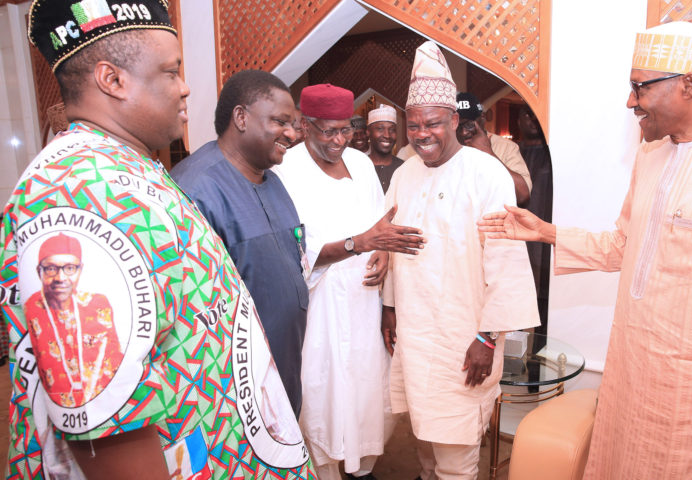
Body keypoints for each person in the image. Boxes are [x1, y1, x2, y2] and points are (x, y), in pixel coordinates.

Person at [1, 2, 314, 478]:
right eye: (171, 71)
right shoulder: (80, 192)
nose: (186, 87)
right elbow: (103, 422)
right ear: (113, 80)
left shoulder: (128, 167)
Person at [478, 22, 692, 479]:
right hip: (635, 385)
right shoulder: (652, 156)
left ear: (689, 83)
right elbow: (625, 246)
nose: (631, 102)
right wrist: (546, 233)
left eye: (640, 87)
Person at [381, 41, 538, 480]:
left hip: (463, 336)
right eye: (413, 125)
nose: (421, 134)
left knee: (457, 455)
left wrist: (488, 338)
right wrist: (390, 308)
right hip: (413, 333)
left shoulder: (486, 173)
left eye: (432, 123)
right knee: (424, 445)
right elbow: (394, 243)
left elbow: (505, 260)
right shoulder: (404, 174)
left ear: (453, 119)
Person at [274, 83, 425, 480]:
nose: (340, 140)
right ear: (305, 126)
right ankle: (324, 469)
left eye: (346, 129)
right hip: (320, 305)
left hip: (363, 300)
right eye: (329, 131)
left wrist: (383, 251)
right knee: (324, 391)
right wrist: (358, 244)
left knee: (366, 389)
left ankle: (361, 468)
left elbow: (381, 222)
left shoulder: (360, 163)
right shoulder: (286, 172)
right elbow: (293, 251)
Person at [170, 69, 308, 418]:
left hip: (282, 371)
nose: (291, 134)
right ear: (241, 117)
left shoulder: (273, 182)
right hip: (232, 391)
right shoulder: (194, 190)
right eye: (280, 121)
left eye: (292, 124)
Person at [25, 233, 122, 408]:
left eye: (70, 268)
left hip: (105, 406)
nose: (61, 278)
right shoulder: (30, 308)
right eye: (51, 269)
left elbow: (115, 360)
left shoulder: (98, 304)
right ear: (39, 271)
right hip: (56, 412)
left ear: (80, 269)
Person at [455, 92, 531, 205]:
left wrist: (488, 152)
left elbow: (523, 196)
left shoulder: (505, 147)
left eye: (469, 125)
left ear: (482, 118)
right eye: (457, 126)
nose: (464, 132)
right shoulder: (448, 148)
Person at [516, 106, 553, 332]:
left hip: (544, 237)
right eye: (526, 114)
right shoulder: (510, 152)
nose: (531, 119)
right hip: (514, 238)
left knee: (544, 307)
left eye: (535, 114)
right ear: (519, 118)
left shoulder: (552, 155)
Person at [366, 104, 404, 193]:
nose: (387, 135)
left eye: (392, 130)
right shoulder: (358, 167)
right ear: (368, 132)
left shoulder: (404, 168)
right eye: (380, 129)